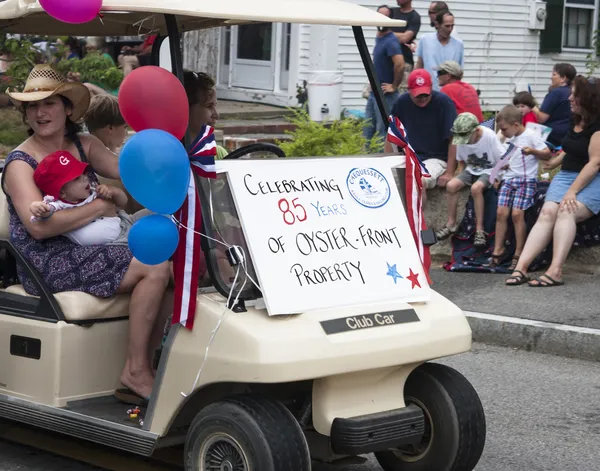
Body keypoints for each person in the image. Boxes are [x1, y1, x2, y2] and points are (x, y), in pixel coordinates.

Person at [2, 64, 171, 402]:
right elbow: (40, 229)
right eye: (32, 106)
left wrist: (168, 164)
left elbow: (129, 172)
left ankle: (151, 363)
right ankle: (135, 370)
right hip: (47, 259)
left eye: (48, 103)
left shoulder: (84, 145)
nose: (40, 113)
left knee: (176, 259)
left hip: (94, 245)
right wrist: (98, 207)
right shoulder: (21, 163)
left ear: (67, 108)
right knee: (154, 264)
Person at [506, 76, 600, 287]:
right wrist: (554, 161)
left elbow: (594, 163)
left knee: (567, 210)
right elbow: (570, 146)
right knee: (548, 212)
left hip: (594, 178)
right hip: (568, 174)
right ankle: (521, 268)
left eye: (575, 94)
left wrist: (572, 192)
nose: (569, 98)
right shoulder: (575, 118)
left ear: (588, 98)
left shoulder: (598, 125)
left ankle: (555, 271)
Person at [491, 105, 551, 270]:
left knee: (517, 214)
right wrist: (498, 174)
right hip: (509, 179)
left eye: (504, 129)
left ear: (516, 125)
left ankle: (519, 251)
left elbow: (547, 153)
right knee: (501, 212)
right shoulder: (509, 139)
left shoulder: (530, 135)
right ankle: (498, 248)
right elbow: (506, 159)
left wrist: (532, 151)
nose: (502, 133)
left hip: (526, 180)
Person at [30, 150, 133, 246]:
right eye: (77, 178)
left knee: (146, 215)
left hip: (124, 225)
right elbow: (47, 213)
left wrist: (114, 191)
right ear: (62, 192)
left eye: (84, 173)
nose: (85, 177)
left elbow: (123, 202)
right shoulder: (60, 206)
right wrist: (38, 207)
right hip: (112, 245)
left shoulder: (94, 191)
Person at [436, 112, 506, 246]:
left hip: (490, 170)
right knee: (451, 186)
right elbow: (462, 162)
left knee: (476, 188)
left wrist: (497, 178)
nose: (465, 141)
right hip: (471, 169)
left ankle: (479, 230)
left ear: (477, 130)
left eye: (467, 137)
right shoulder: (461, 138)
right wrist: (458, 177)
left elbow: (501, 160)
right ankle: (451, 223)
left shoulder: (489, 136)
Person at [386, 69, 458, 190]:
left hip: (436, 158)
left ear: (431, 88)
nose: (423, 98)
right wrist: (387, 164)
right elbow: (391, 135)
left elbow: (454, 139)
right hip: (408, 156)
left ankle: (418, 210)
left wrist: (450, 172)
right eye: (418, 95)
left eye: (426, 94)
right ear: (409, 91)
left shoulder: (443, 102)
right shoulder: (401, 102)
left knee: (418, 180)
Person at [363, 5, 404, 142]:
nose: (381, 20)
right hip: (374, 93)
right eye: (379, 16)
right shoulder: (380, 37)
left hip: (386, 95)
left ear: (390, 19)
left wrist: (394, 86)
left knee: (382, 134)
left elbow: (400, 63)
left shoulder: (391, 41)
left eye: (385, 17)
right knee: (367, 130)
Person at [183, 70, 228, 159]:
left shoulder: (219, 154)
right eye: (209, 106)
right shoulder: (170, 156)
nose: (216, 115)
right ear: (186, 108)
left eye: (215, 105)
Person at [415, 10, 464, 92]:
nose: (450, 29)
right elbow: (419, 65)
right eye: (447, 26)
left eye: (452, 26)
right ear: (437, 24)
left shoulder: (458, 44)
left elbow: (459, 72)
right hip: (428, 91)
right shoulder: (425, 40)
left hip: (450, 92)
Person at [531, 63, 576, 147]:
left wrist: (532, 106)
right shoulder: (573, 92)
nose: (551, 77)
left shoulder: (556, 93)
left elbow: (541, 118)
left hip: (552, 136)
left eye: (554, 74)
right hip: (569, 134)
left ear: (563, 78)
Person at [390, 0, 421, 92]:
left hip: (405, 61)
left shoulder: (414, 17)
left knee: (401, 93)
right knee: (373, 92)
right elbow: (380, 32)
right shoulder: (392, 12)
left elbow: (405, 38)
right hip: (387, 59)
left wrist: (387, 34)